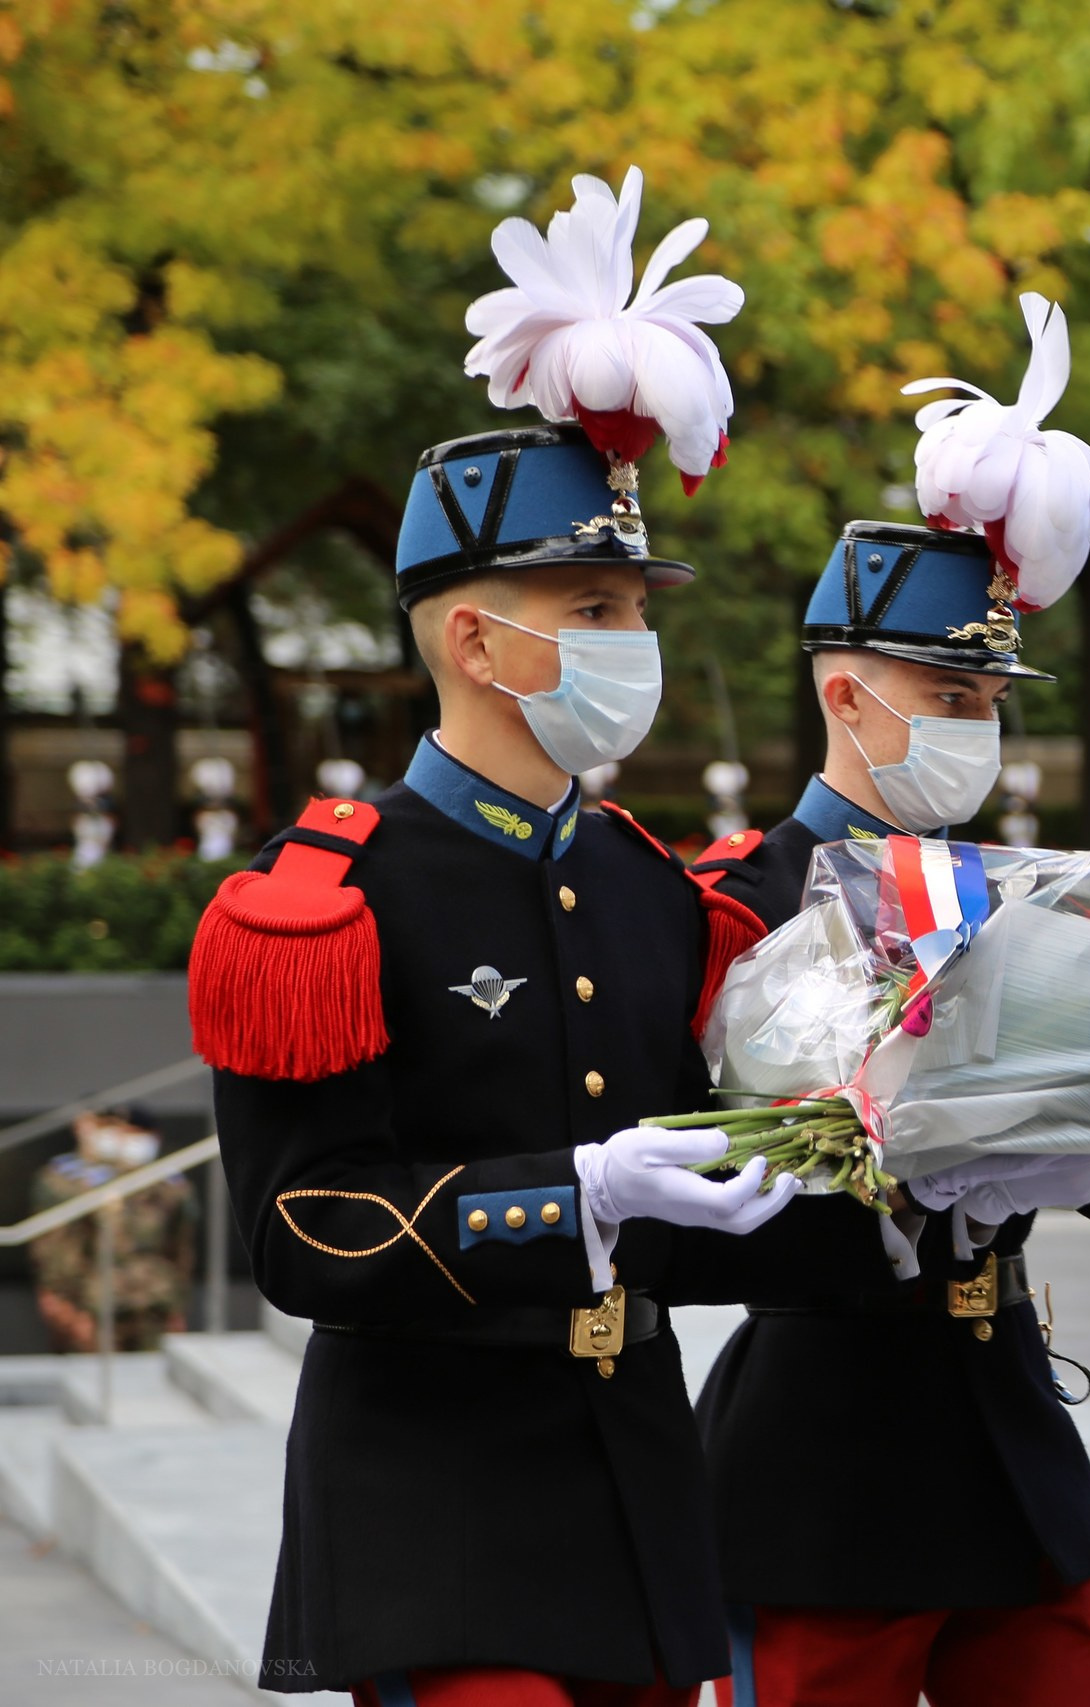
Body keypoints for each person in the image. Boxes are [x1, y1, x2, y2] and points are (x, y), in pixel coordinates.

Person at [191, 168, 903, 1705]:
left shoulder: (655, 888)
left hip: (638, 1499)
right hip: (431, 1516)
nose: (629, 639)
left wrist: (913, 1185)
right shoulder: (325, 896)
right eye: (591, 603)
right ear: (472, 634)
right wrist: (565, 1196)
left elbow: (706, 1218)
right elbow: (301, 1229)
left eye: (636, 604)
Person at [687, 293, 1090, 1707]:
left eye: (988, 691)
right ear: (845, 691)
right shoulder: (731, 901)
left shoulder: (1015, 897)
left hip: (1005, 1420)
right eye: (942, 687)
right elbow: (702, 1185)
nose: (974, 719)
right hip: (822, 1454)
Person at [30, 1109, 198, 1352]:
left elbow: (179, 1245)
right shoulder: (72, 1180)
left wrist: (177, 1303)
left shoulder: (167, 1183)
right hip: (97, 1301)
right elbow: (59, 1248)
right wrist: (64, 1303)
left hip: (154, 1299)